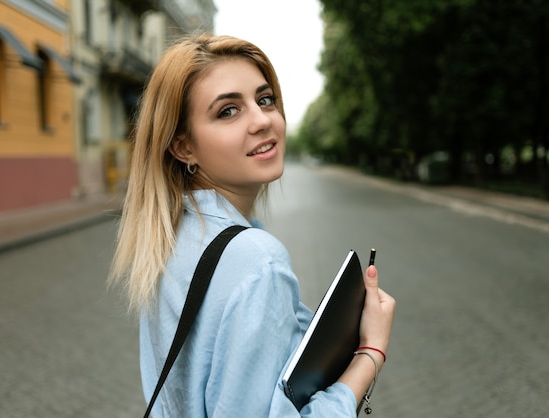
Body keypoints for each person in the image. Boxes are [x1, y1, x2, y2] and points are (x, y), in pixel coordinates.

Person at [109, 33, 396, 417]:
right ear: (183, 147)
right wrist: (369, 352)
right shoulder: (257, 261)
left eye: (264, 99)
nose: (262, 120)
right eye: (228, 111)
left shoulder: (169, 237)